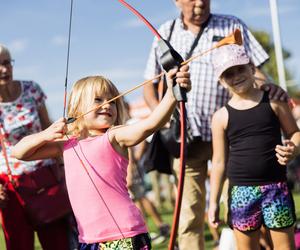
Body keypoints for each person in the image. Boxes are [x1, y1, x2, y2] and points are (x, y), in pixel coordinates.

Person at [143, 1, 287, 249]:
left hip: (232, 137)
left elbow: (256, 70)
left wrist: (268, 86)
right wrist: (161, 115)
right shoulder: (165, 33)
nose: (200, 2)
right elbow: (148, 84)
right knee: (189, 213)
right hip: (185, 139)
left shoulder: (231, 24)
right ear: (176, 1)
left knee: (244, 206)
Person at [11, 64, 191, 249]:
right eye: (98, 100)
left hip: (124, 234)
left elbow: (150, 125)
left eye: (112, 101)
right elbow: (19, 152)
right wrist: (45, 134)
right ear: (77, 108)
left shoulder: (114, 136)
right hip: (88, 240)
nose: (107, 105)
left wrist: (172, 92)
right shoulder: (65, 144)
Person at [208, 44, 298, 250]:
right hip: (241, 192)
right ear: (221, 81)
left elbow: (295, 133)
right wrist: (213, 202)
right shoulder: (220, 117)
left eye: (240, 68)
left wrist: (293, 147)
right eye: (228, 74)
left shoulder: (274, 103)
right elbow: (219, 162)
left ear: (251, 68)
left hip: (276, 188)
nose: (236, 76)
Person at [0, 44, 71, 250]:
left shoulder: (32, 89)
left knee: (58, 242)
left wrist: (61, 167)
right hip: (10, 183)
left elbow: (49, 127)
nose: (4, 69)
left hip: (45, 176)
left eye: (7, 63)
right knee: (18, 243)